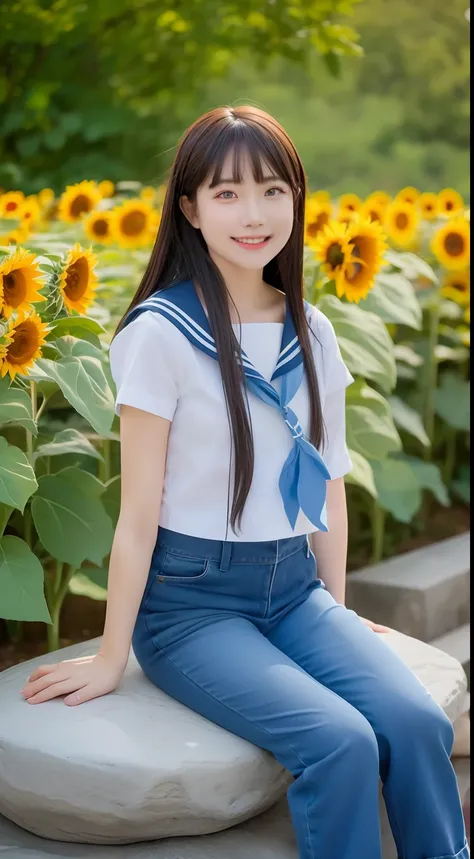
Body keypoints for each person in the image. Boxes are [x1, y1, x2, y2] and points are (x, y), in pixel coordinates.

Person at [20, 106, 469, 859]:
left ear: (296, 198)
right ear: (189, 209)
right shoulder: (160, 334)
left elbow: (327, 486)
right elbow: (136, 517)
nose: (253, 214)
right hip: (191, 608)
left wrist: (340, 611)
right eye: (226, 194)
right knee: (341, 742)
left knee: (419, 721)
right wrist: (110, 655)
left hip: (295, 592)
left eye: (271, 190)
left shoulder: (313, 330)